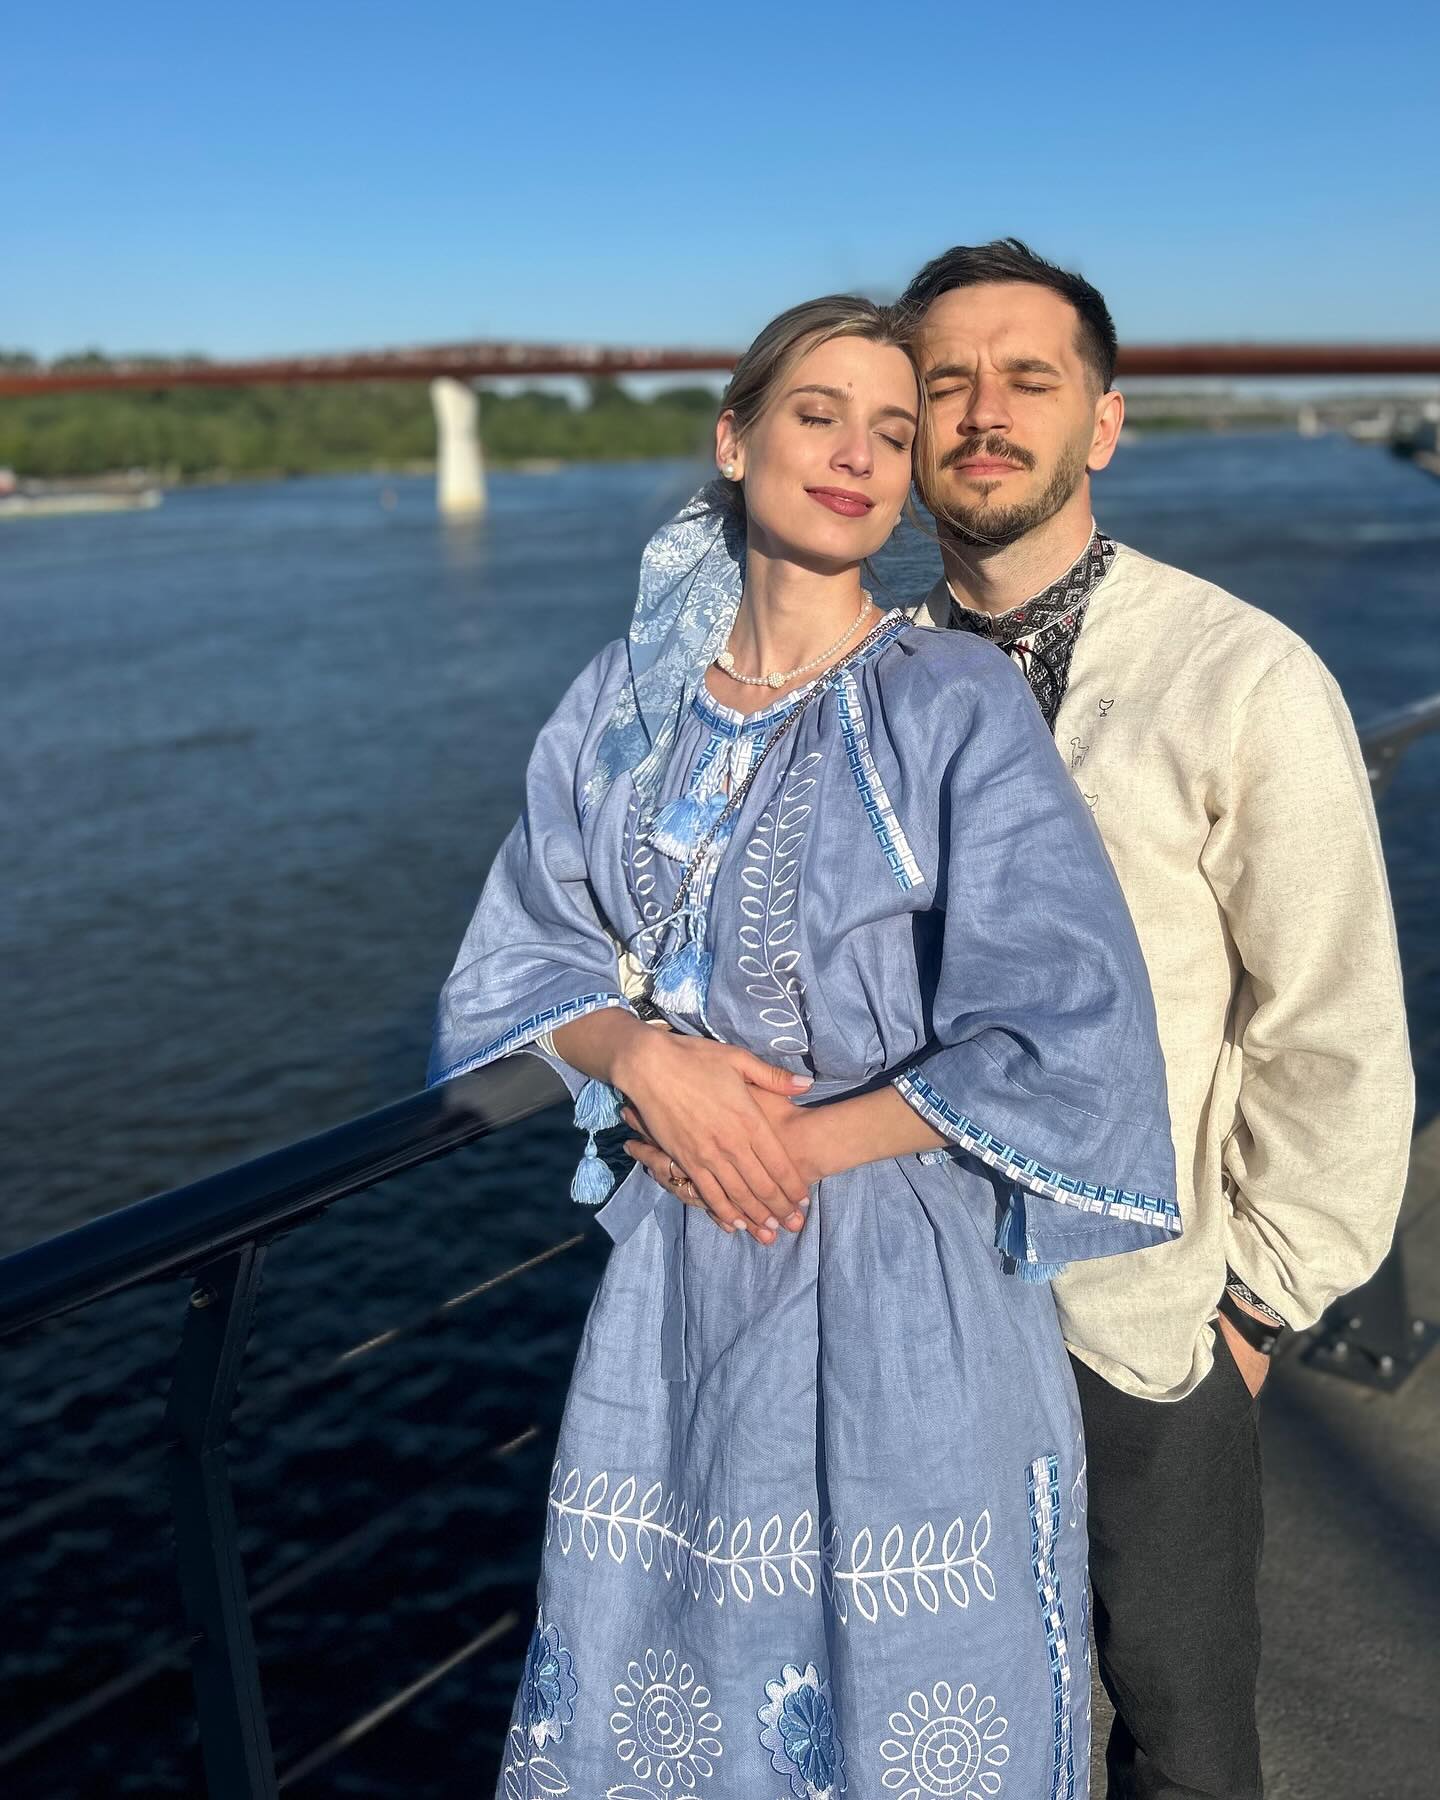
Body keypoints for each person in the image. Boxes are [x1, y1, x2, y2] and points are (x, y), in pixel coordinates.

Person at [430, 295, 1179, 1798]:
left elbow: (1071, 1020)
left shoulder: (947, 700)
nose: (857, 456)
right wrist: (643, 1061)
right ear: (735, 439)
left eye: (893, 434)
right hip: (683, 1292)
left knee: (916, 1711)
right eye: (819, 416)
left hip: (906, 1284)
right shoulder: (623, 706)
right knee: (686, 1687)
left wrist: (794, 1139)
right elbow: (518, 954)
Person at [896, 238, 1414, 1800]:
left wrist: (1253, 1308)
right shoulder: (869, 676)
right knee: (940, 1717)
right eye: (945, 382)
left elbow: (1330, 1023)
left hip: (1145, 1332)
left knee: (1182, 1731)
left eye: (1028, 379)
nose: (985, 412)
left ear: (1103, 423)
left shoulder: (1237, 677)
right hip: (908, 1321)